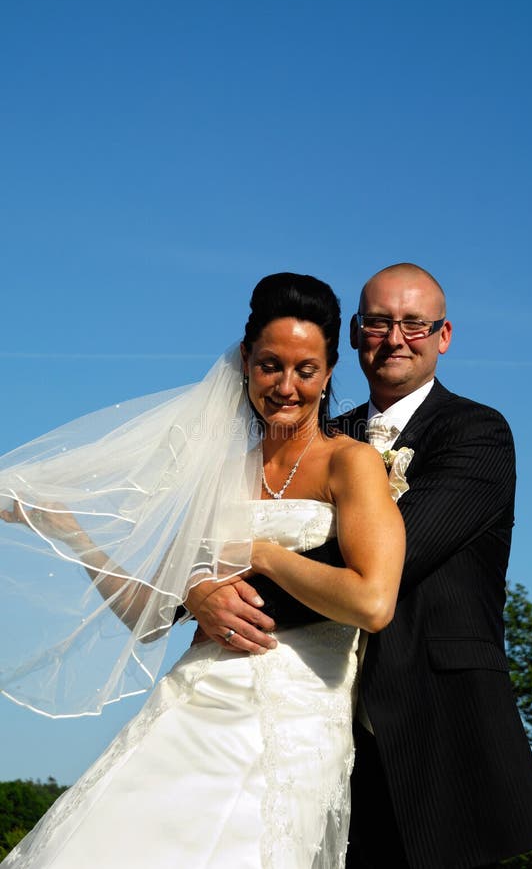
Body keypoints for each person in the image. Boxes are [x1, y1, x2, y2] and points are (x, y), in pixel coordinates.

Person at [0, 272, 405, 868]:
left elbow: (372, 601)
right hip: (193, 705)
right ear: (245, 361)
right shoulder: (217, 471)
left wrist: (261, 552)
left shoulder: (353, 464)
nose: (286, 388)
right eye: (270, 366)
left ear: (328, 370)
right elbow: (150, 615)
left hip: (292, 721)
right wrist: (69, 530)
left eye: (306, 370)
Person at [187, 263, 532, 868]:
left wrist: (233, 595)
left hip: (437, 727)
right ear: (355, 334)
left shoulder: (477, 433)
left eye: (414, 324)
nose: (395, 338)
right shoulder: (320, 436)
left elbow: (394, 558)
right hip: (320, 728)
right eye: (379, 322)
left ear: (443, 336)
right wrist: (195, 590)